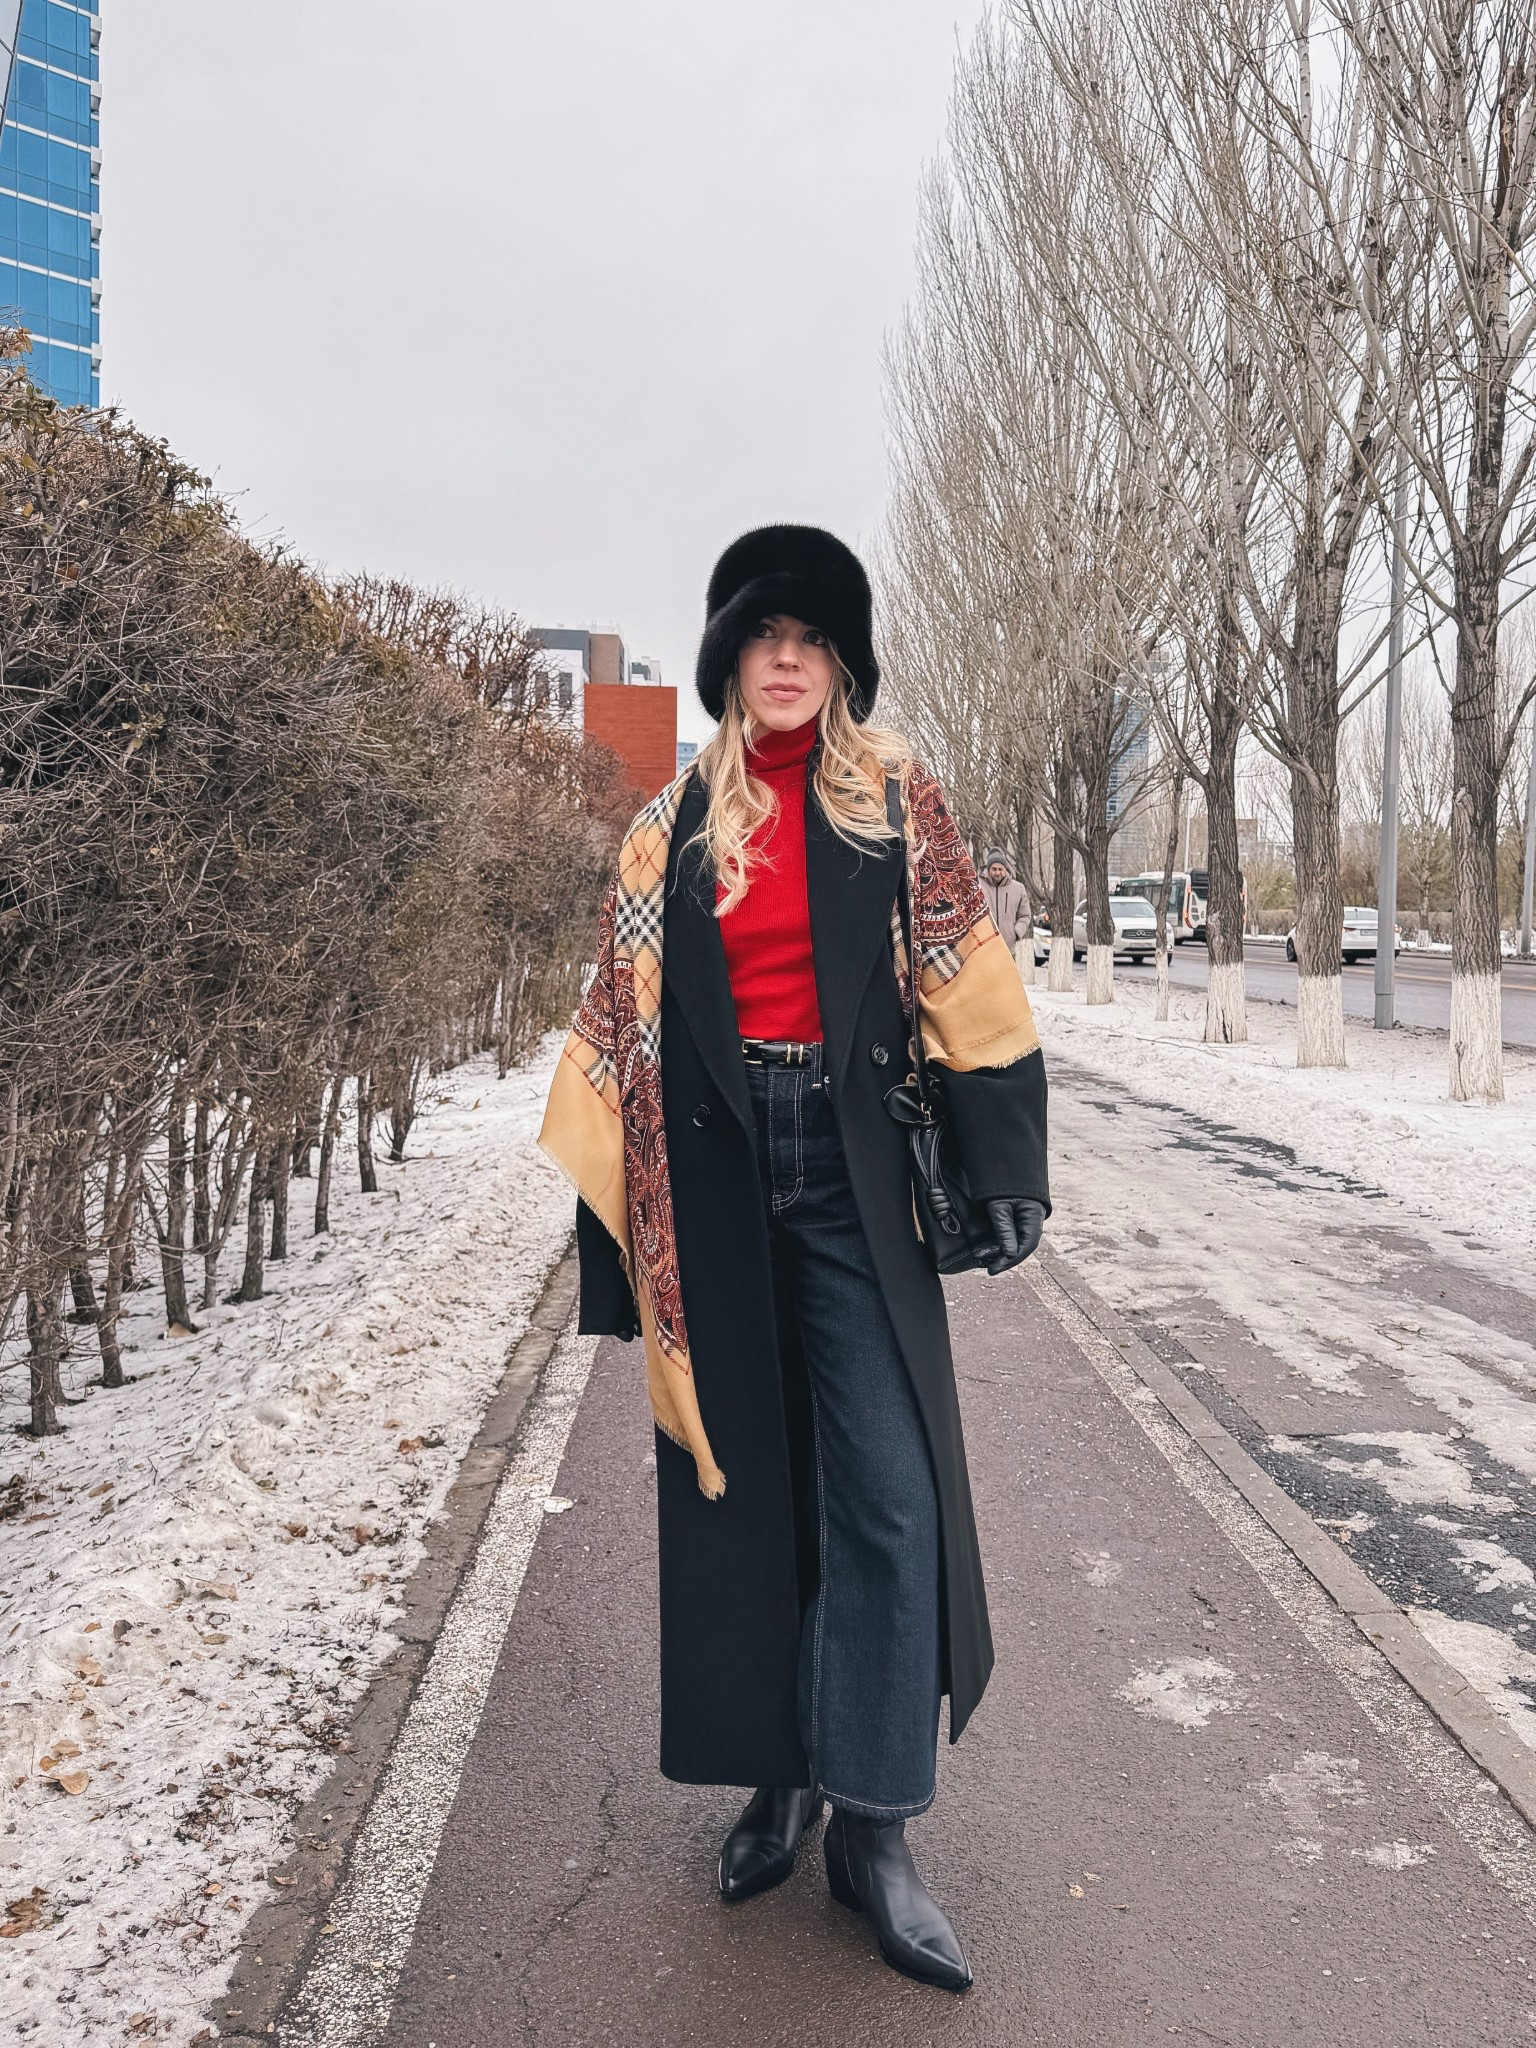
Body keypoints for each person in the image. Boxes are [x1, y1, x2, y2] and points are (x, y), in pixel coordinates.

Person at [539, 525, 1050, 1993]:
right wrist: (615, 1247)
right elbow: (618, 1038)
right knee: (745, 1491)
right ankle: (779, 1774)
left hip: (853, 1169)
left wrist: (1007, 1161)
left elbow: (965, 971)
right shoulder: (665, 830)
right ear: (726, 659)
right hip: (710, 1171)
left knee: (887, 1491)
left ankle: (873, 1828)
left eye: (811, 638)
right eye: (763, 634)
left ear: (840, 665)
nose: (785, 658)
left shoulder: (896, 802)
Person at [981, 847, 1037, 976]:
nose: (997, 872)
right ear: (988, 869)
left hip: (1008, 948)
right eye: (994, 869)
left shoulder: (1018, 888)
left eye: (1000, 869)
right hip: (983, 949)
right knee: (986, 988)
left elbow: (1025, 915)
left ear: (1005, 870)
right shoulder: (978, 886)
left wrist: (1016, 932)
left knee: (1007, 988)